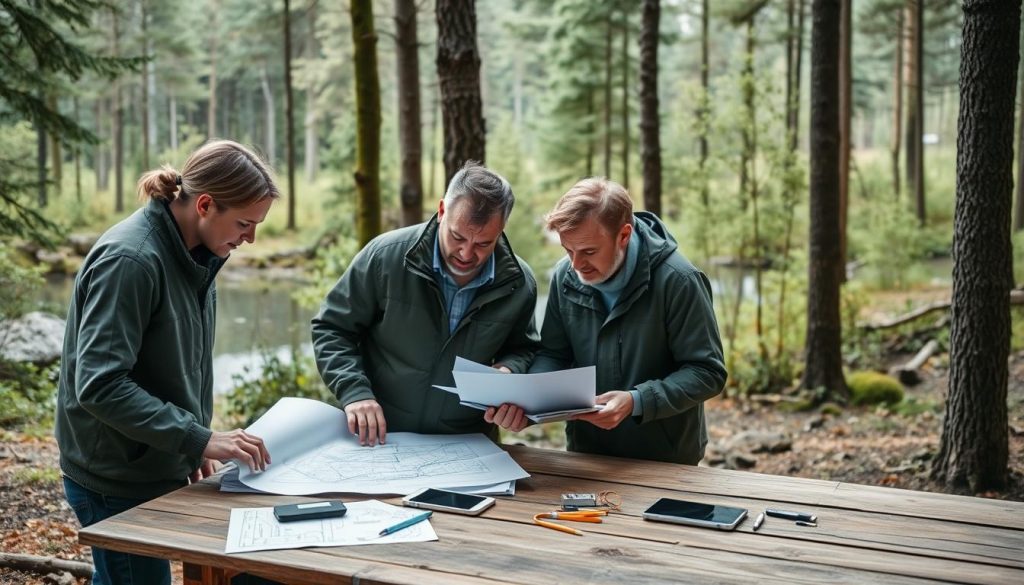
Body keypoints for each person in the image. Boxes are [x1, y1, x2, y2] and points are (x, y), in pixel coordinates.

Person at [56, 140, 278, 585]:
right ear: (205, 204)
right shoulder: (131, 260)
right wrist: (195, 437)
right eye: (244, 223)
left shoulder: (199, 256)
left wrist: (189, 446)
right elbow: (100, 385)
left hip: (152, 461)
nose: (250, 238)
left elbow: (175, 364)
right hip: (113, 474)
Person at [312, 161, 540, 446]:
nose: (466, 253)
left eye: (483, 243)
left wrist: (509, 372)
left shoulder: (519, 283)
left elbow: (524, 349)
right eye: (457, 236)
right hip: (380, 438)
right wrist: (355, 393)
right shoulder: (385, 257)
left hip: (467, 445)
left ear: (502, 228)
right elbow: (331, 328)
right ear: (442, 210)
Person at [531, 177, 727, 464]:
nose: (576, 265)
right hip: (588, 456)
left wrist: (637, 401)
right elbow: (553, 354)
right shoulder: (565, 277)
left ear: (623, 235)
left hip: (665, 460)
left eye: (588, 251)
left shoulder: (679, 281)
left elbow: (707, 372)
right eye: (567, 250)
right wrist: (530, 395)